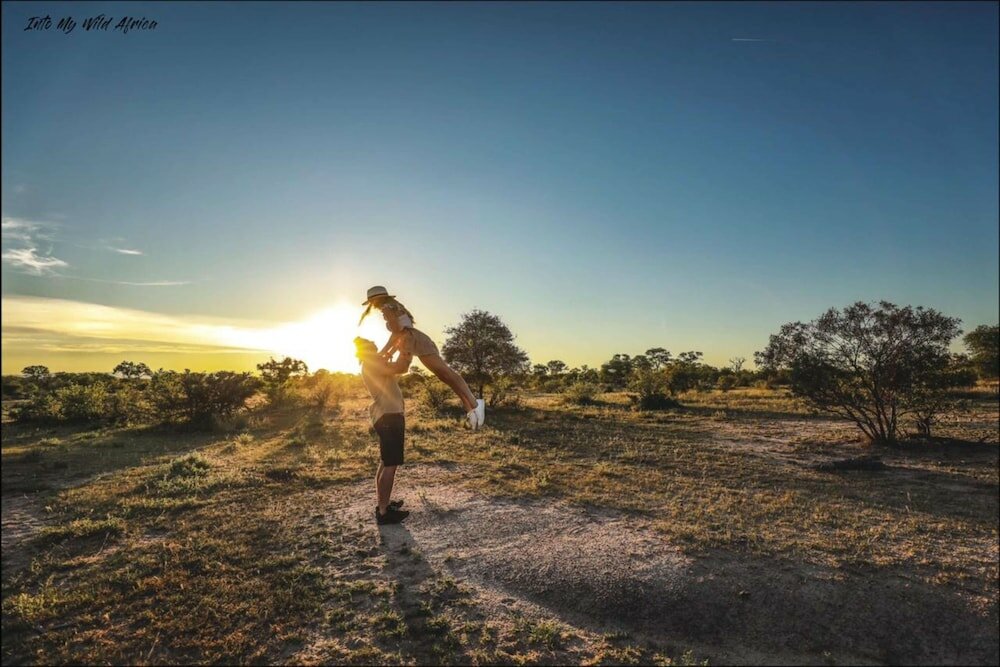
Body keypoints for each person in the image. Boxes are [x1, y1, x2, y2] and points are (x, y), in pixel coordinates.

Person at [359, 286, 486, 429]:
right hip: (412, 340)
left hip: (415, 340)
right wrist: (389, 352)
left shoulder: (387, 309)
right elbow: (401, 334)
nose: (373, 306)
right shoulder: (394, 306)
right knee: (443, 375)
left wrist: (384, 352)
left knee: (445, 372)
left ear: (375, 300)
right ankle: (471, 408)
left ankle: (475, 404)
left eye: (372, 302)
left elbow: (397, 333)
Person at [355, 337, 410, 525]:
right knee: (390, 465)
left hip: (386, 415)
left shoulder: (370, 363)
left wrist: (396, 346)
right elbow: (401, 367)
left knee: (385, 462)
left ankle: (382, 505)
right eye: (374, 347)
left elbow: (388, 358)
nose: (378, 350)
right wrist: (407, 350)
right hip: (390, 416)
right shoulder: (372, 364)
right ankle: (384, 513)